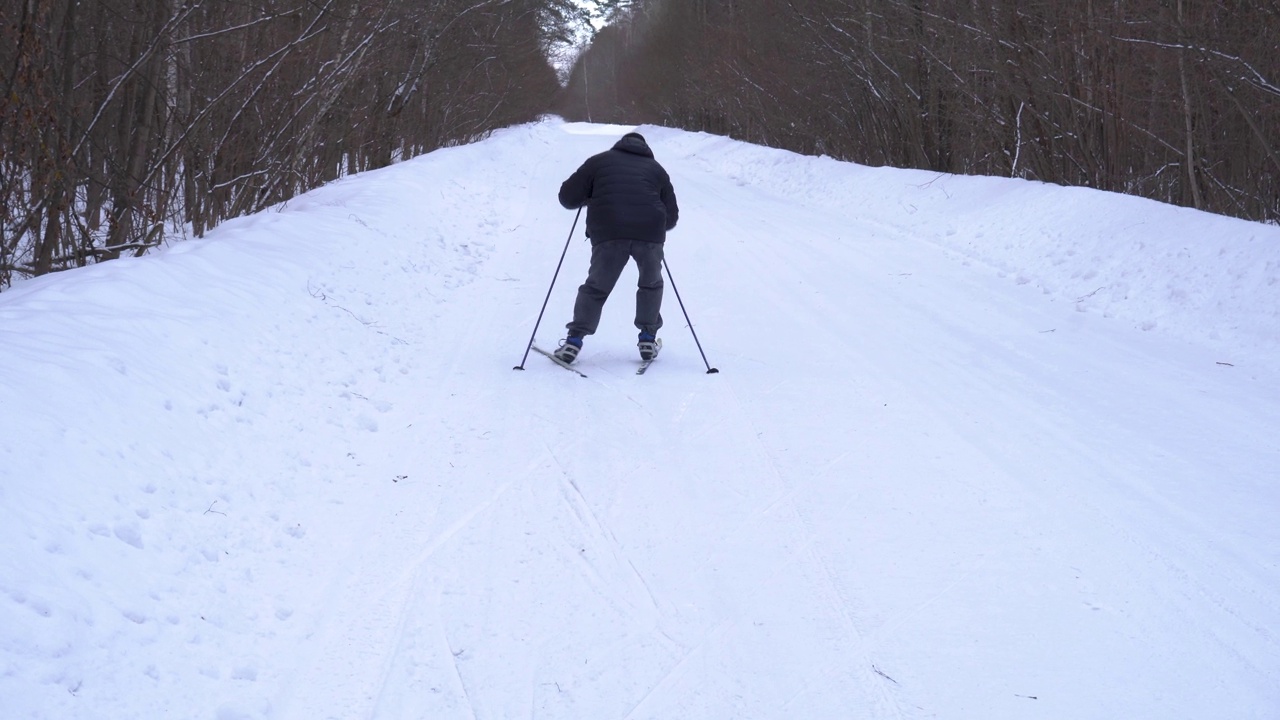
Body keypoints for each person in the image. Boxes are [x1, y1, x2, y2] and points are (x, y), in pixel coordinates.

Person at [554, 131, 679, 364]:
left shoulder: (598, 162)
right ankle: (648, 338)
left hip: (609, 231)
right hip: (649, 234)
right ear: (646, 148)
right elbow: (671, 219)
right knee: (651, 284)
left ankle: (574, 341)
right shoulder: (657, 170)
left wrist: (588, 196)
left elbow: (567, 197)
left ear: (619, 145)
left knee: (596, 287)